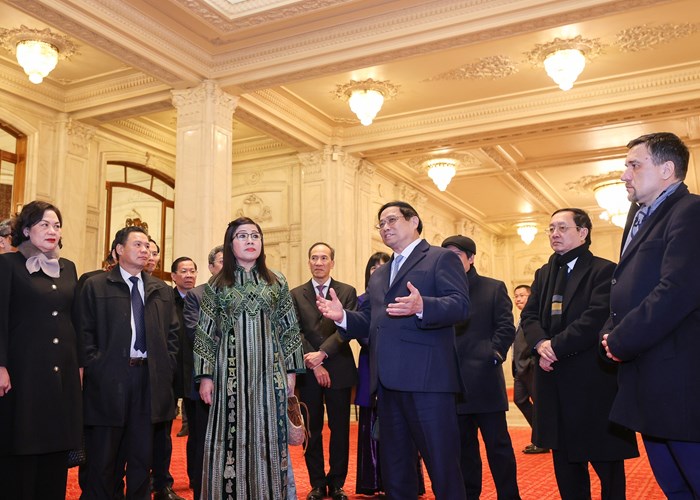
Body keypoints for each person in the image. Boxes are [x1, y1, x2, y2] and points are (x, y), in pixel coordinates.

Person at [317, 200, 470, 500]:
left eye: (392, 220)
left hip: (429, 384)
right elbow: (372, 321)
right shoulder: (380, 274)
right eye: (381, 223)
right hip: (387, 386)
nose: (385, 227)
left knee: (443, 468)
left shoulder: (440, 258)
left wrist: (423, 305)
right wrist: (343, 317)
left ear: (414, 221)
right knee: (396, 471)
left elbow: (460, 305)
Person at [601, 132, 700, 498]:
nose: (624, 174)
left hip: (680, 381)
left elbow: (677, 289)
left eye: (634, 165)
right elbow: (625, 285)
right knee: (675, 488)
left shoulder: (690, 211)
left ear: (666, 169)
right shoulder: (639, 217)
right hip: (648, 379)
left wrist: (621, 340)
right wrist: (608, 333)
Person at [520, 208, 638, 500]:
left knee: (607, 464)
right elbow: (529, 316)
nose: (554, 234)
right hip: (552, 380)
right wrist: (540, 344)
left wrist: (554, 347)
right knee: (566, 464)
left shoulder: (604, 270)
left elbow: (595, 317)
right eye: (551, 228)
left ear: (583, 233)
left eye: (562, 228)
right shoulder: (544, 273)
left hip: (592, 382)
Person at [193, 217, 305, 499]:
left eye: (255, 235)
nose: (250, 241)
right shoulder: (217, 284)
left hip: (271, 375)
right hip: (229, 377)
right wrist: (205, 376)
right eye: (242, 236)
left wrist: (291, 372)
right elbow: (205, 332)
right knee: (230, 438)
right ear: (230, 243)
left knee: (270, 438)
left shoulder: (277, 281)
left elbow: (290, 328)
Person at [80, 225, 180, 500]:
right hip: (109, 380)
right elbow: (84, 333)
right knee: (104, 456)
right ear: (118, 250)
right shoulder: (96, 285)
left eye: (147, 245)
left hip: (148, 379)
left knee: (141, 455)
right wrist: (98, 367)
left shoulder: (161, 289)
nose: (145, 250)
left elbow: (173, 334)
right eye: (137, 244)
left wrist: (165, 366)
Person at [0, 201, 83, 499]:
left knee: (55, 450)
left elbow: (75, 320)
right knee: (21, 447)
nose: (52, 231)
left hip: (61, 374)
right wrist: (1, 365)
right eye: (44, 225)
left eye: (57, 226)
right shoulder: (7, 265)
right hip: (23, 373)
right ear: (26, 230)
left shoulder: (68, 268)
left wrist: (80, 366)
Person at [441, 235, 520, 500]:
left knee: (498, 448)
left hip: (485, 381)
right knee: (464, 451)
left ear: (471, 258)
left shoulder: (493, 287)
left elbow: (506, 327)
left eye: (457, 255)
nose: (451, 261)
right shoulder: (439, 291)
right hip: (453, 384)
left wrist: (493, 354)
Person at [291, 242, 358, 500]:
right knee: (312, 429)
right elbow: (294, 331)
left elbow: (347, 329)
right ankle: (317, 483)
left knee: (340, 429)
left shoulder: (347, 291)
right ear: (308, 262)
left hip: (339, 368)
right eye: (314, 258)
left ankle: (338, 483)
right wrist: (315, 362)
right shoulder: (296, 294)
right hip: (309, 370)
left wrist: (323, 354)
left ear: (332, 262)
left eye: (324, 258)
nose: (318, 262)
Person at [150, 257, 198, 500]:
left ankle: (197, 478)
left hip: (195, 374)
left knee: (197, 430)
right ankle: (161, 482)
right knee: (162, 432)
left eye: (192, 271)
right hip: (169, 373)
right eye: (183, 271)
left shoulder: (202, 298)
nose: (189, 275)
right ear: (174, 276)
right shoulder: (164, 298)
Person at [183, 245, 223, 500]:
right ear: (210, 267)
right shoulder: (196, 295)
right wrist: (234, 346)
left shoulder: (241, 294)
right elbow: (197, 334)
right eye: (221, 261)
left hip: (238, 380)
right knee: (203, 439)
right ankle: (202, 489)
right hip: (206, 379)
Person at [511, 284, 547, 454]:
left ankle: (542, 440)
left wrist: (532, 362)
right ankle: (540, 436)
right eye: (516, 296)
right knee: (519, 400)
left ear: (530, 297)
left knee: (539, 405)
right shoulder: (520, 318)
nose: (518, 299)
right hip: (520, 369)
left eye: (522, 295)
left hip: (531, 367)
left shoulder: (535, 318)